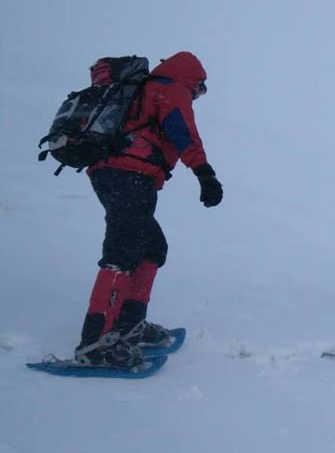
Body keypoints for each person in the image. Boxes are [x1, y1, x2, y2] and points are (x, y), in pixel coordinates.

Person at [74, 52, 223, 368]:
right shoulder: (170, 88)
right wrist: (204, 173)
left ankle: (129, 326)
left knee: (152, 247)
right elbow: (181, 130)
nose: (198, 95)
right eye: (200, 88)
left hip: (124, 175)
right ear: (193, 79)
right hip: (127, 174)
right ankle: (97, 343)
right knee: (123, 250)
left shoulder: (148, 89)